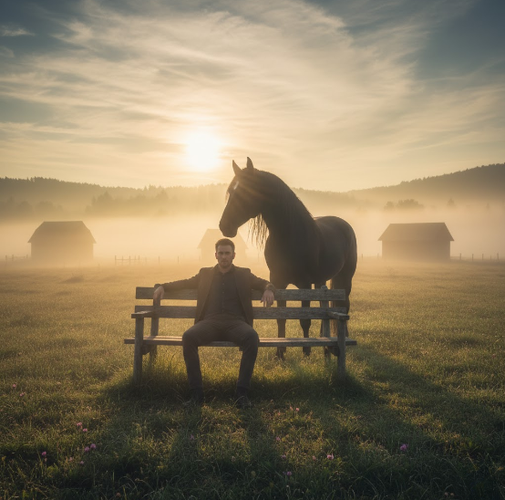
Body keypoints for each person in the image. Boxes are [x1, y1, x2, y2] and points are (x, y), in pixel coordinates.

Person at [153, 238, 275, 408]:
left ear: (233, 255)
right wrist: (162, 286)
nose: (224, 256)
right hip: (210, 323)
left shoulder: (243, 274)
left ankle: (242, 394)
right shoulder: (205, 274)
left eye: (227, 253)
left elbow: (263, 282)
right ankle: (196, 395)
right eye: (221, 253)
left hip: (236, 324)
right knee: (188, 337)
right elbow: (185, 282)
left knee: (252, 337)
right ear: (215, 255)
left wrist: (268, 289)